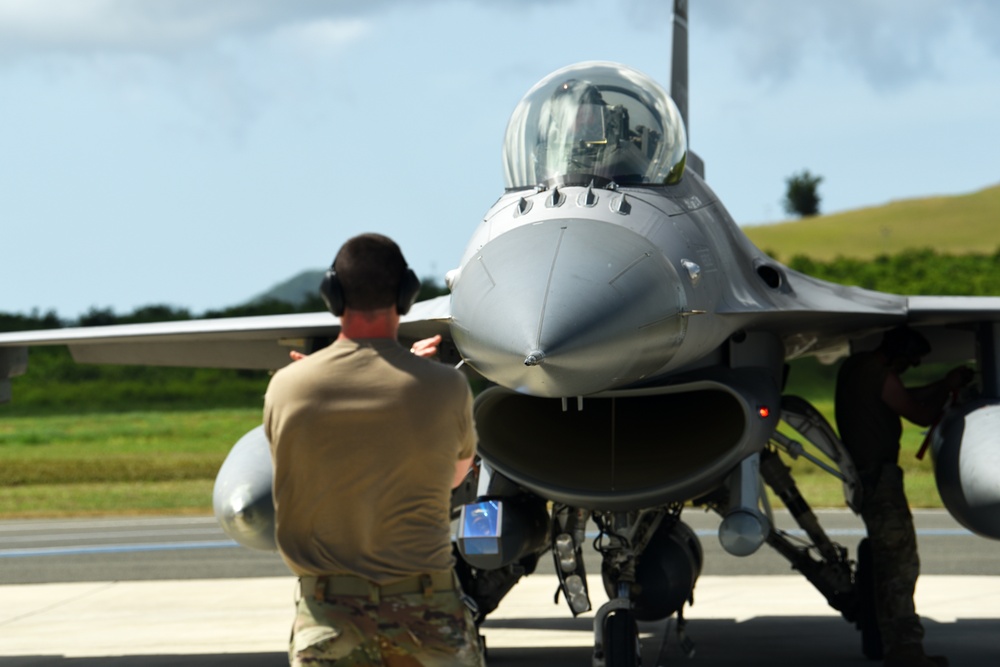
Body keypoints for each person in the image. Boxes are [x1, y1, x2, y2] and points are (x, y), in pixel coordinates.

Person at [264, 232, 483, 667]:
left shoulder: (289, 387)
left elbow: (298, 464)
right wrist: (416, 375)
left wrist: (318, 383)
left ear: (332, 293)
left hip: (328, 616)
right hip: (426, 614)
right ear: (407, 295)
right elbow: (455, 476)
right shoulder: (444, 388)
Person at [835, 326, 973, 667]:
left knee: (887, 563)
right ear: (898, 354)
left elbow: (900, 394)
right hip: (881, 484)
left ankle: (893, 646)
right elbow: (919, 413)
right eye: (909, 361)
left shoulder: (856, 368)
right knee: (900, 565)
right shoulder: (881, 376)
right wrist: (949, 387)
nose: (909, 367)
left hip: (865, 478)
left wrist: (943, 384)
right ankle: (907, 651)